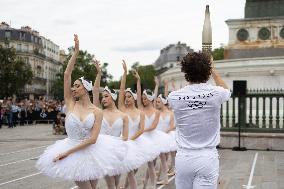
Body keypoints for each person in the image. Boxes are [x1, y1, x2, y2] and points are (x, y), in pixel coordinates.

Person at [36, 35, 128, 189]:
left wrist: (68, 152)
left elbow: (92, 139)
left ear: (86, 89)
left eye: (77, 86)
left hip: (89, 151)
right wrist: (76, 52)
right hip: (72, 151)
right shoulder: (70, 103)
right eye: (73, 86)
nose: (73, 88)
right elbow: (67, 75)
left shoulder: (97, 111)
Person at [167, 52, 231, 189]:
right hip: (207, 157)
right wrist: (213, 69)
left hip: (183, 158)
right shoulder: (216, 93)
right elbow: (227, 91)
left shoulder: (174, 97)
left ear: (185, 72)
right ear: (207, 72)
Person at [118, 61, 159, 189]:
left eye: (129, 97)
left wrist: (138, 80)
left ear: (135, 98)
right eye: (126, 97)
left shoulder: (140, 112)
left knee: (133, 171)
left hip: (134, 142)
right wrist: (124, 74)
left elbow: (141, 130)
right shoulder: (122, 109)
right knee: (125, 171)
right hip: (121, 141)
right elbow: (121, 90)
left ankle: (125, 187)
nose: (126, 98)